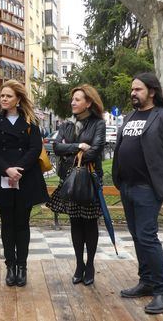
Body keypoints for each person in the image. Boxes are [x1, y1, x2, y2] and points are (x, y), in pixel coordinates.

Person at [113, 72, 163, 314]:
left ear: (152, 91)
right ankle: (146, 281)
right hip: (127, 186)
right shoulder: (129, 116)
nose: (133, 93)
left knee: (147, 237)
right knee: (136, 236)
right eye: (132, 89)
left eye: (138, 89)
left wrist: (158, 179)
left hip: (147, 188)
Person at [0, 79, 49, 287]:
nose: (3, 99)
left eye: (8, 96)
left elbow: (34, 148)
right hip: (3, 177)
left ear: (18, 99)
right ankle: (10, 266)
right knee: (6, 224)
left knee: (22, 224)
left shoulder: (31, 121)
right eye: (2, 95)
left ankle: (22, 266)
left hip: (25, 178)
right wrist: (7, 169)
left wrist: (18, 169)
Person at [46, 84, 106, 286]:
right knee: (75, 223)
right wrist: (78, 147)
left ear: (88, 102)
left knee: (90, 223)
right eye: (72, 99)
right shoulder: (67, 124)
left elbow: (96, 150)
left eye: (77, 99)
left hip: (89, 179)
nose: (73, 102)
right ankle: (79, 264)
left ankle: (90, 266)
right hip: (69, 179)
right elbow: (56, 147)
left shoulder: (98, 124)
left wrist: (70, 151)